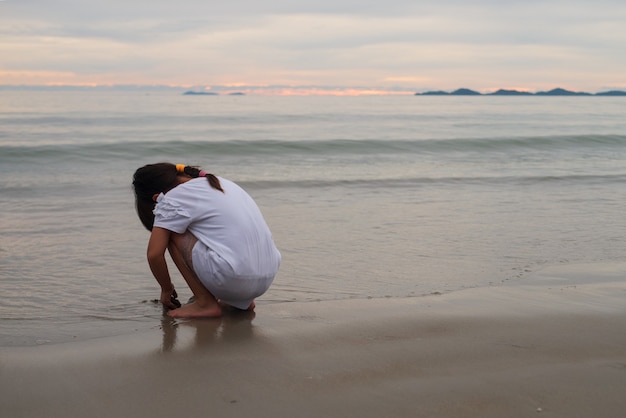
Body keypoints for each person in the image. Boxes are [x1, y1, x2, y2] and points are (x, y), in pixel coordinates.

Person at [132, 162, 281, 318]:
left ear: (156, 198)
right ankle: (239, 301)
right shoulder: (222, 183)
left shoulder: (173, 197)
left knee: (171, 233)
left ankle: (205, 303)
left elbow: (154, 254)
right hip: (266, 278)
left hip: (234, 279)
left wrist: (166, 289)